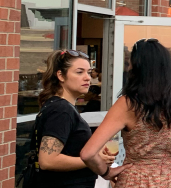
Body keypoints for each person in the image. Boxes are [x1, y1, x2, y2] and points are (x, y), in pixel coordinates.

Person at [81, 39, 171, 187]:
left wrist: (106, 172)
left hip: (136, 179)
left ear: (137, 69)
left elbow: (88, 153)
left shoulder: (128, 104)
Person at [33, 50, 116, 188]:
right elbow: (48, 161)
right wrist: (92, 160)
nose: (87, 78)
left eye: (89, 72)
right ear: (61, 75)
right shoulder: (61, 110)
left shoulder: (61, 107)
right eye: (79, 72)